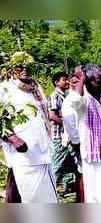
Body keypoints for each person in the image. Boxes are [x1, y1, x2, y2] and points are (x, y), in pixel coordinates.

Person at [0, 68, 58, 203]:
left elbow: (44, 114)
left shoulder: (35, 87)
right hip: (24, 156)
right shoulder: (5, 88)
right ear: (12, 68)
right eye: (20, 66)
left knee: (49, 197)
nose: (25, 69)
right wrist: (13, 138)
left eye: (28, 66)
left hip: (43, 152)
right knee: (32, 197)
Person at [69, 64, 101, 203]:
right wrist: (81, 80)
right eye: (96, 81)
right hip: (95, 159)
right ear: (86, 82)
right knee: (99, 196)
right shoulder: (84, 102)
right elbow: (74, 100)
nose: (100, 84)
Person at [48, 71, 74, 197]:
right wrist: (65, 123)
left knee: (69, 163)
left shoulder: (66, 96)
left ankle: (66, 189)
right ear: (56, 82)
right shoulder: (55, 96)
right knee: (57, 163)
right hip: (59, 135)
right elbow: (52, 115)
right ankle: (51, 189)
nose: (67, 82)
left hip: (67, 135)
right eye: (64, 80)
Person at [61, 68, 84, 202]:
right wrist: (77, 143)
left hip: (84, 142)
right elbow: (71, 126)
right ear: (70, 83)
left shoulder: (81, 98)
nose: (76, 85)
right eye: (74, 82)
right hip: (78, 142)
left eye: (79, 81)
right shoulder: (69, 101)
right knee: (81, 173)